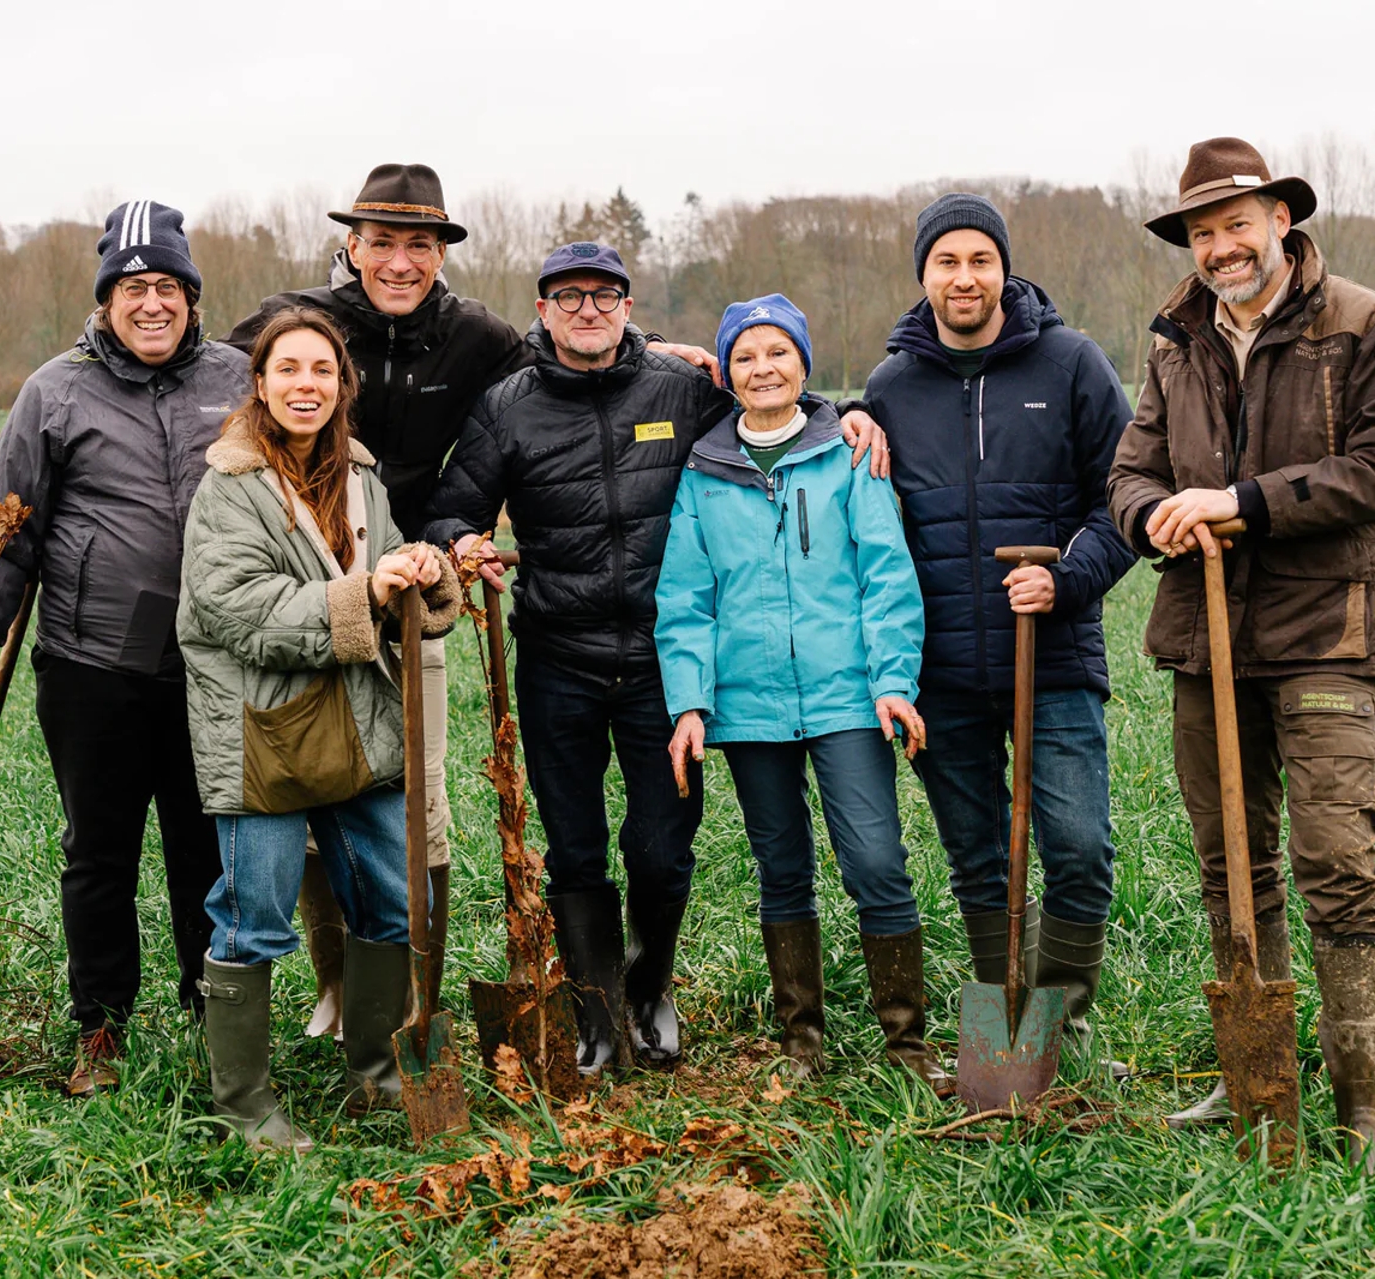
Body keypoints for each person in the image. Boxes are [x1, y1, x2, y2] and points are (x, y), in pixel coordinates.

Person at [223, 165, 722, 1036]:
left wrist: (677, 357)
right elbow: (204, 377)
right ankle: (343, 988)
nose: (401, 261)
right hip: (310, 579)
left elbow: (647, 380)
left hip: (430, 595)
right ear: (353, 246)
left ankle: (454, 993)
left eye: (419, 243)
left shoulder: (483, 338)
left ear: (441, 253)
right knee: (306, 788)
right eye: (382, 242)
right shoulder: (292, 322)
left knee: (422, 797)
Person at [423, 244, 888, 1075]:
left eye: (605, 296)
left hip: (667, 662)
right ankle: (596, 1017)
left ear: (629, 308)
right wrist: (462, 539)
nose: (588, 311)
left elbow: (772, 394)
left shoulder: (680, 388)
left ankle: (649, 988)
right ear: (543, 311)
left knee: (662, 845)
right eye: (569, 298)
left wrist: (847, 411)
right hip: (557, 656)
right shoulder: (507, 407)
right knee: (574, 845)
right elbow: (454, 505)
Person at [1108, 138, 1375, 1172]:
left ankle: (1360, 1104)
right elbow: (1129, 471)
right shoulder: (1174, 340)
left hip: (1324, 632)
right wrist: (1151, 515)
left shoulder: (1367, 323)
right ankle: (1257, 1076)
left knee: (1338, 867)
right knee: (1229, 870)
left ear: (1280, 220)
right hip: (1206, 641)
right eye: (1201, 233)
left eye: (1235, 225)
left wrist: (1242, 504)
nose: (1219, 248)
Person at [0, 200, 248, 1097]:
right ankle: (100, 1028)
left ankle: (211, 1013)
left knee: (208, 848)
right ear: (106, 298)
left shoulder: (236, 377)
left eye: (168, 287)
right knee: (99, 851)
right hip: (89, 668)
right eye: (133, 288)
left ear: (192, 294)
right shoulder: (56, 390)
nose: (152, 304)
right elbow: (4, 533)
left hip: (213, 665)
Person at [853, 194, 1137, 1064]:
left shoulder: (1072, 365)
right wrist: (841, 417)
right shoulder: (892, 385)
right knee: (979, 861)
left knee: (1081, 850)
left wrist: (1066, 580)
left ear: (1005, 269)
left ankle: (1061, 1028)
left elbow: (1125, 501)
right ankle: (1005, 1034)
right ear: (924, 275)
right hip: (941, 670)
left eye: (981, 259)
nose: (965, 276)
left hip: (1051, 660)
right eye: (947, 261)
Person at [178, 307, 461, 1149]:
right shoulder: (228, 485)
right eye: (289, 370)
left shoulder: (360, 475)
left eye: (323, 372)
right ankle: (245, 1103)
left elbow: (388, 570)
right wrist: (364, 594)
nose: (307, 385)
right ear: (260, 384)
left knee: (389, 897)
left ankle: (377, 1072)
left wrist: (421, 570)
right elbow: (239, 609)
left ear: (344, 385)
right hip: (266, 731)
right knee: (253, 912)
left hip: (361, 722)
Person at [654, 295, 948, 1092]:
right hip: (749, 710)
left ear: (803, 364)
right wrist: (690, 702)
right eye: (745, 356)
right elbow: (686, 598)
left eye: (778, 352)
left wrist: (893, 681)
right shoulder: (703, 473)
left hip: (847, 699)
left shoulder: (849, 456)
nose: (763, 369)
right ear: (729, 374)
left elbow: (887, 576)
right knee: (781, 868)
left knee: (878, 862)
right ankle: (802, 1041)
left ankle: (907, 1042)